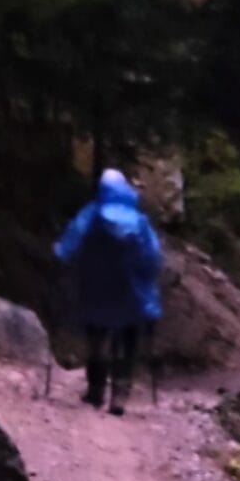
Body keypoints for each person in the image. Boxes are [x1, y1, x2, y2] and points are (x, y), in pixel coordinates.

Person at [54, 168, 163, 416]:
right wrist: (146, 280)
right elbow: (153, 258)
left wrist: (60, 252)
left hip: (96, 288)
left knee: (96, 339)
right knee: (128, 340)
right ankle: (120, 396)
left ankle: (95, 390)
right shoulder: (138, 220)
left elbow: (68, 247)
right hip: (131, 291)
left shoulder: (90, 215)